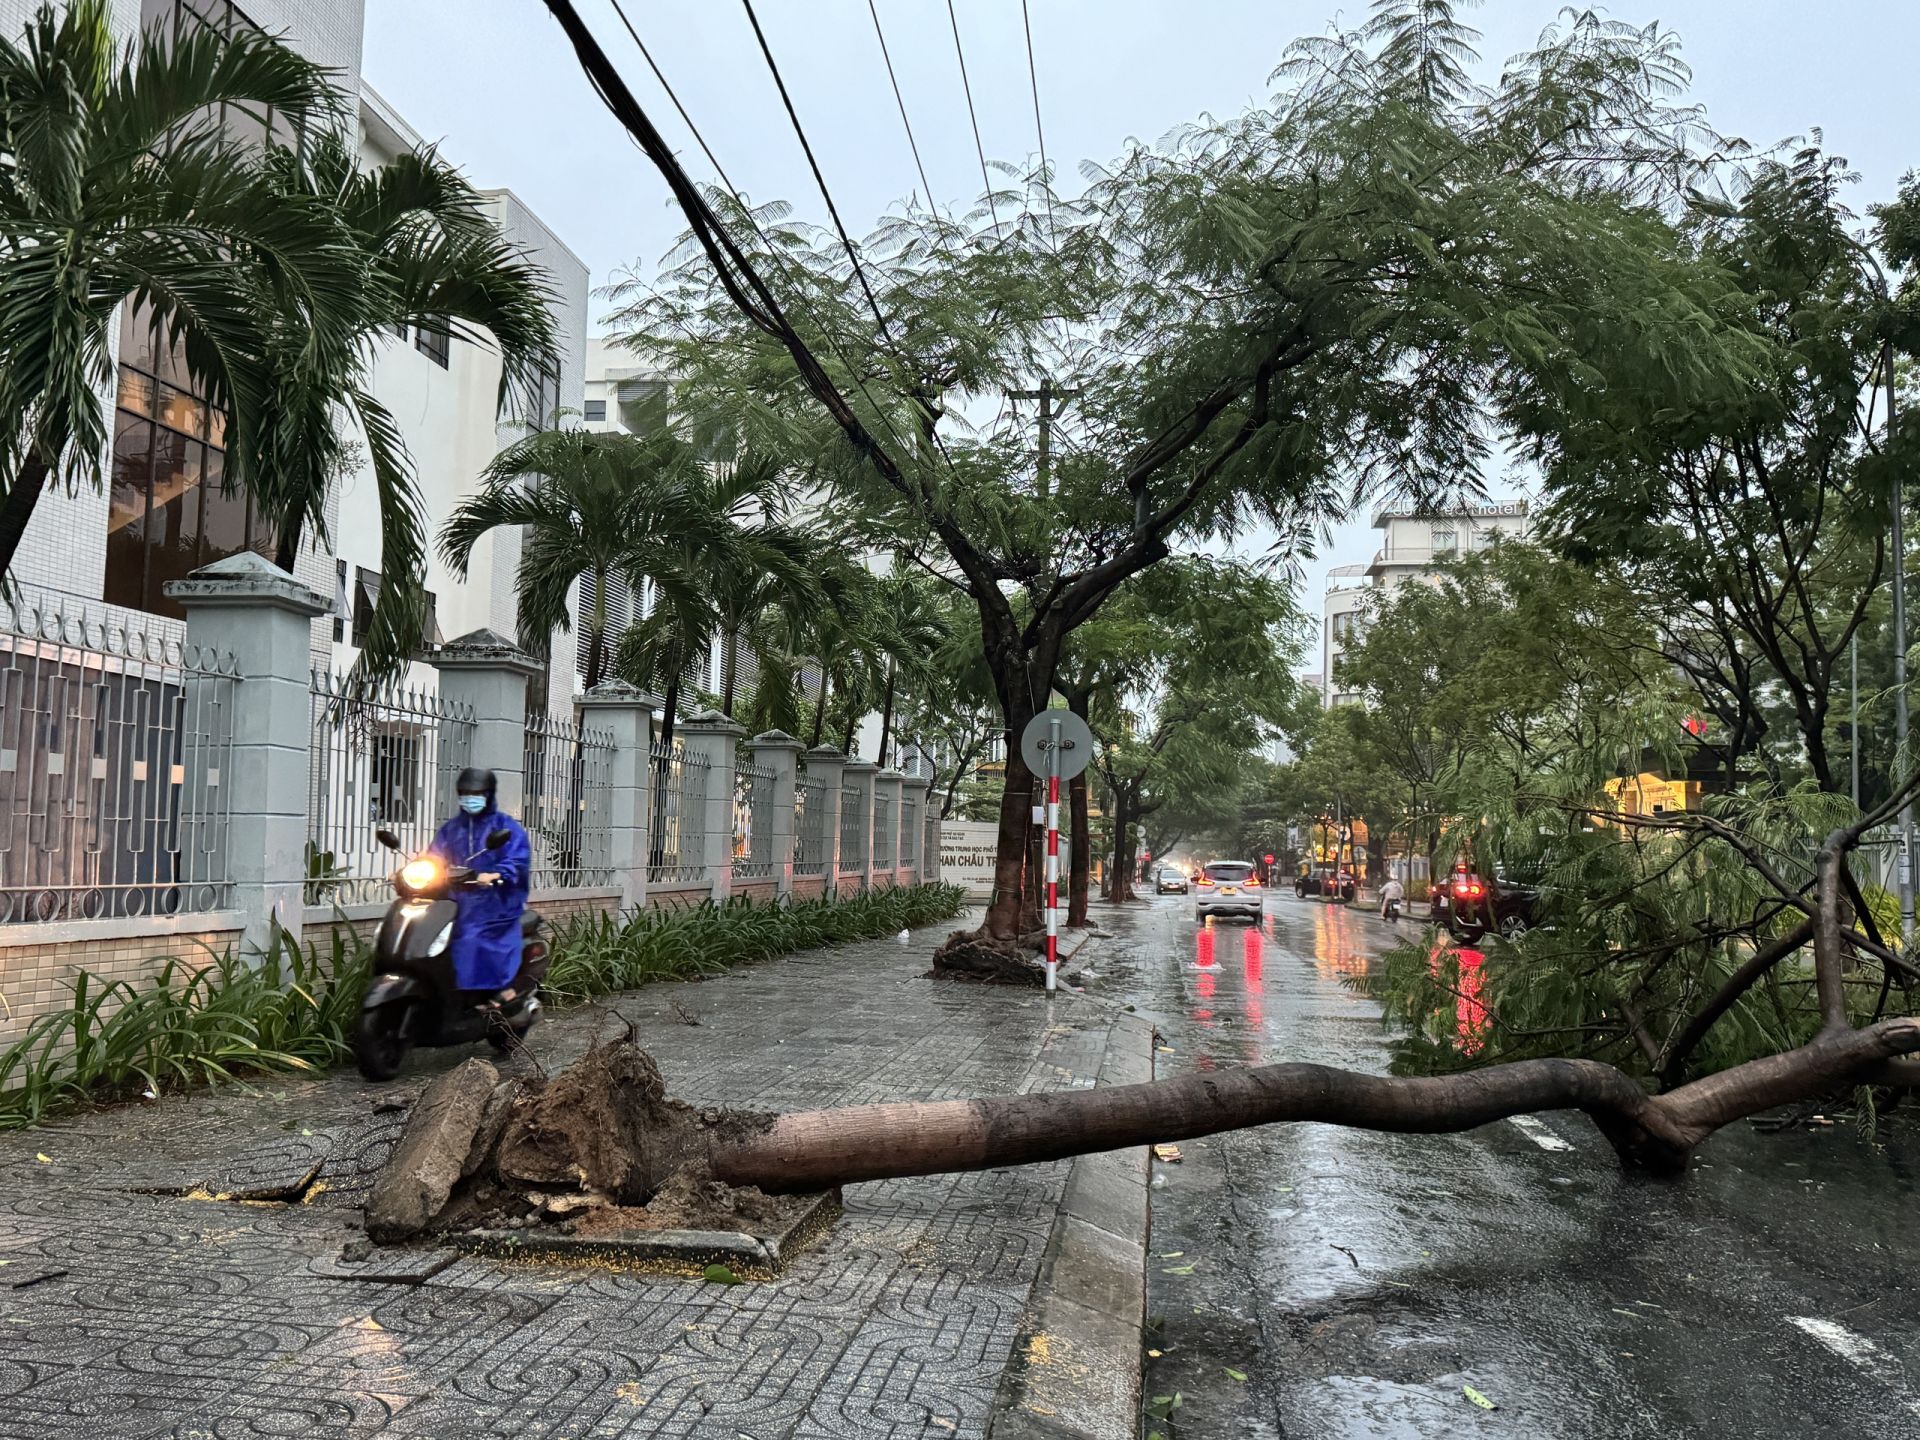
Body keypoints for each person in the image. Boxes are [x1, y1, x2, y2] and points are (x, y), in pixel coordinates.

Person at [430, 767, 533, 1003]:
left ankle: (494, 992)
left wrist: (495, 874)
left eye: (476, 793)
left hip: (496, 901)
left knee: (471, 937)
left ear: (488, 794)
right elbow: (435, 855)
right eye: (465, 793)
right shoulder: (451, 829)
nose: (470, 798)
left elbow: (517, 860)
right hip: (454, 900)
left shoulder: (505, 828)